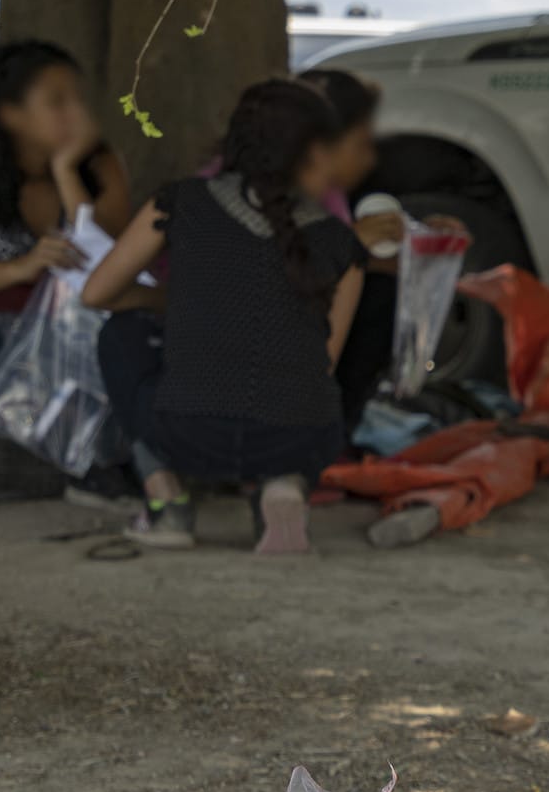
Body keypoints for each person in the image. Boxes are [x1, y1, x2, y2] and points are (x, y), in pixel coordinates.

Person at [83, 79, 367, 553]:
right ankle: (285, 487)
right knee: (308, 393)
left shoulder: (177, 202)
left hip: (185, 433)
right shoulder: (343, 244)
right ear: (313, 155)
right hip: (297, 438)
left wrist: (172, 302)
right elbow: (324, 365)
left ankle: (166, 503)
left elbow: (97, 292)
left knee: (121, 335)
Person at [0, 41, 134, 511]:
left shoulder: (96, 163)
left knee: (102, 311)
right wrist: (21, 267)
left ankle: (94, 466)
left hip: (67, 332)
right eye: (56, 102)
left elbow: (108, 253)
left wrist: (63, 170)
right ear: (9, 114)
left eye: (77, 98)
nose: (75, 112)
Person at [295, 67, 469, 438]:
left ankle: (331, 429)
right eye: (360, 144)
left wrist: (423, 242)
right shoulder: (253, 191)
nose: (370, 159)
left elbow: (363, 263)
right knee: (371, 287)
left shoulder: (329, 196)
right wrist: (349, 244)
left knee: (380, 287)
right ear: (318, 145)